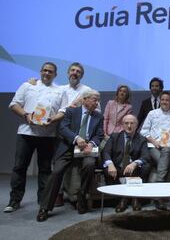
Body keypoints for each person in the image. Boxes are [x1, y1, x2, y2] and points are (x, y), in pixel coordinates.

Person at [4, 62, 64, 213]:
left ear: (55, 74)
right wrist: (26, 115)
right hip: (26, 133)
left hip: (48, 135)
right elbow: (14, 104)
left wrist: (53, 119)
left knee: (45, 170)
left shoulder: (60, 90)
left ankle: (43, 202)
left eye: (50, 71)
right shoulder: (27, 85)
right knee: (19, 167)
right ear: (40, 71)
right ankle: (14, 201)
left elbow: (62, 111)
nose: (47, 73)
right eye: (44, 70)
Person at [36, 90, 104, 221]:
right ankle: (44, 207)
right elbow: (63, 128)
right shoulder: (71, 112)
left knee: (90, 165)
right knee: (57, 171)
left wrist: (92, 143)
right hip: (68, 147)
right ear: (85, 99)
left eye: (98, 100)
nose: (97, 103)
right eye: (95, 100)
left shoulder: (98, 116)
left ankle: (82, 197)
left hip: (86, 150)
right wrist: (77, 138)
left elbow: (99, 134)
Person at [102, 115, 151, 212]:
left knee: (146, 166)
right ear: (122, 125)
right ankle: (122, 198)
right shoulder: (115, 136)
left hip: (133, 169)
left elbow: (146, 156)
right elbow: (106, 152)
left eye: (132, 123)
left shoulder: (141, 139)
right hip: (117, 168)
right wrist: (110, 164)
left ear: (136, 125)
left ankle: (134, 198)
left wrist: (134, 163)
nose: (129, 126)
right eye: (126, 123)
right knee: (107, 168)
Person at [140, 91, 170, 209]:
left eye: (167, 100)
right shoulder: (152, 113)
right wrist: (154, 141)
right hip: (153, 146)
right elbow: (144, 131)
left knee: (168, 153)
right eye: (163, 99)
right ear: (160, 101)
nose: (164, 102)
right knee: (167, 163)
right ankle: (160, 196)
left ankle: (158, 196)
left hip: (168, 146)